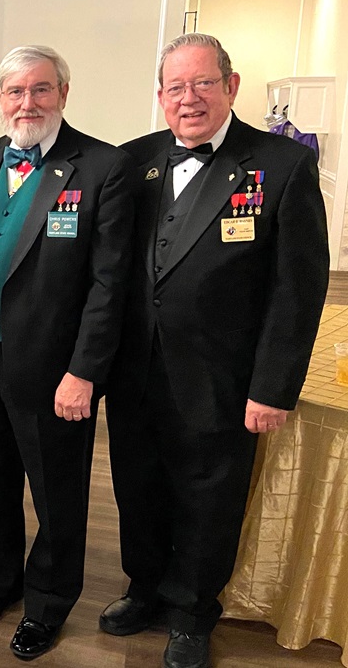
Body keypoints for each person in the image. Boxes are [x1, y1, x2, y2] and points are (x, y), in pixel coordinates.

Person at [102, 33, 328, 668]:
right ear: (161, 96)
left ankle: (193, 612)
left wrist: (272, 387)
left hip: (222, 377)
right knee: (137, 486)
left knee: (208, 499)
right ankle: (144, 588)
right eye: (176, 86)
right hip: (134, 371)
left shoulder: (282, 164)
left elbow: (297, 290)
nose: (189, 98)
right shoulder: (134, 160)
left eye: (203, 83)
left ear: (231, 86)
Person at [0, 45, 135, 660]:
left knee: (56, 493)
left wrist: (84, 371)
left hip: (54, 368)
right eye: (15, 91)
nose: (27, 102)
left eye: (40, 89)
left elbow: (109, 284)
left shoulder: (103, 167)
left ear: (63, 93)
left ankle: (48, 603)